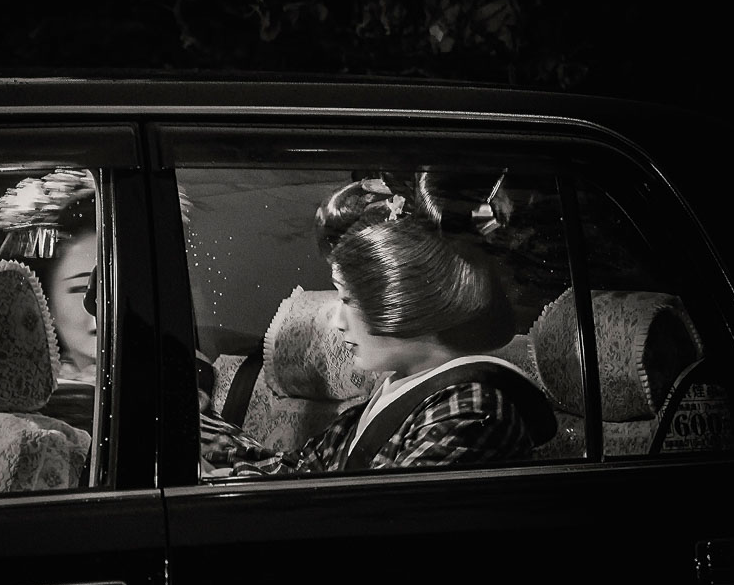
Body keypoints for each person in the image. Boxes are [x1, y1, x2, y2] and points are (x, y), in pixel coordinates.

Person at [201, 175, 556, 476]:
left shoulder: (472, 413)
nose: (336, 321)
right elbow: (304, 470)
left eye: (348, 300)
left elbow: (374, 522)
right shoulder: (397, 391)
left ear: (405, 300)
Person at [0, 170, 97, 433]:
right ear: (47, 303)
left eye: (113, 287)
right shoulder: (26, 407)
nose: (99, 303)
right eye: (80, 288)